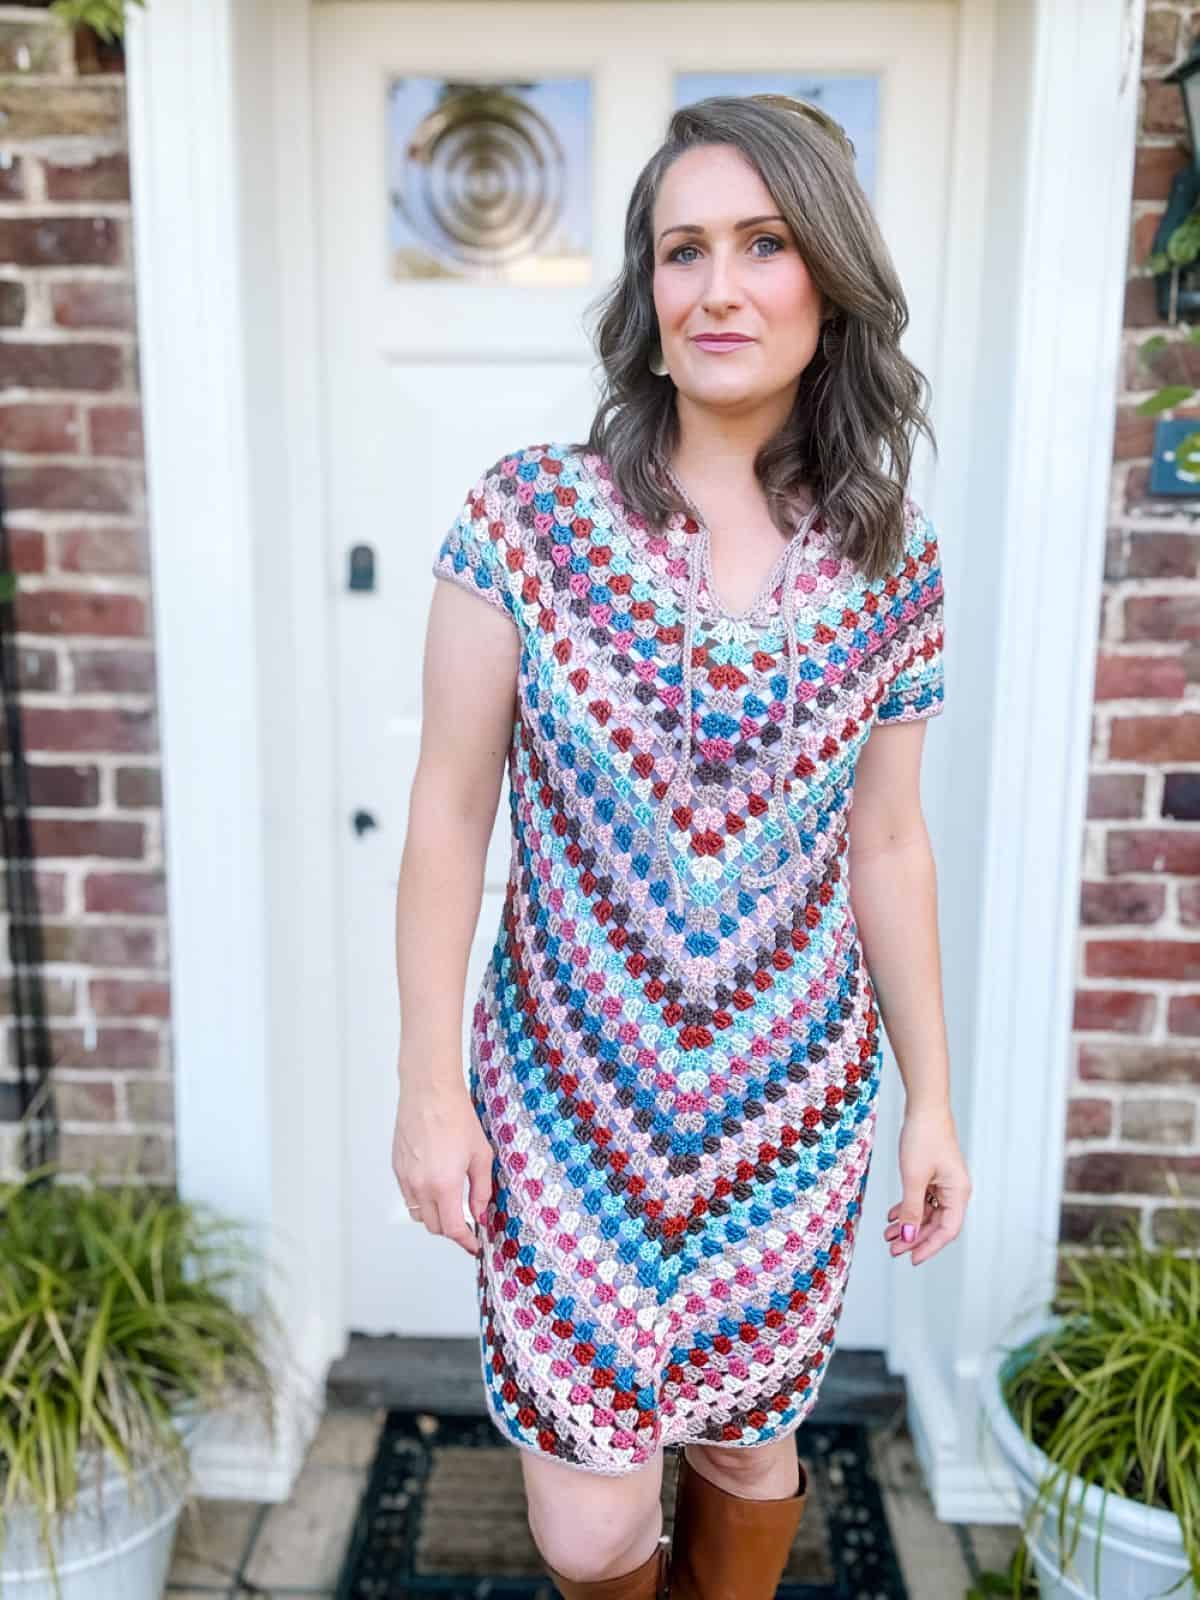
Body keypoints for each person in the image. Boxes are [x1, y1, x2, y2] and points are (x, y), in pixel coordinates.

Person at [392, 92, 972, 1600]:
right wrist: (427, 1087)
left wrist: (932, 1101)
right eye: (682, 250)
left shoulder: (890, 561)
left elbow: (889, 845)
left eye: (765, 245)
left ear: (827, 286)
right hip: (564, 1102)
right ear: (647, 301)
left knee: (746, 1453)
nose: (719, 285)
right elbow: (450, 810)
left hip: (790, 1106)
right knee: (590, 1525)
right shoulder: (528, 522)